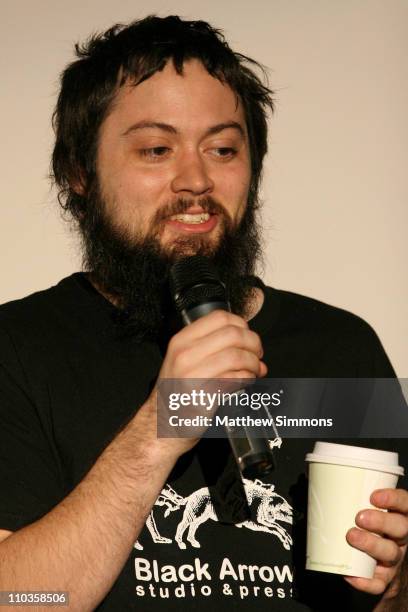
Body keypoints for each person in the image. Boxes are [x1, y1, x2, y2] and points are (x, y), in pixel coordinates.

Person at [0, 15, 406, 611]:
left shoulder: (343, 347)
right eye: (156, 149)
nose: (195, 180)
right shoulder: (17, 350)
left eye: (222, 148)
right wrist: (156, 432)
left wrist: (394, 587)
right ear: (79, 174)